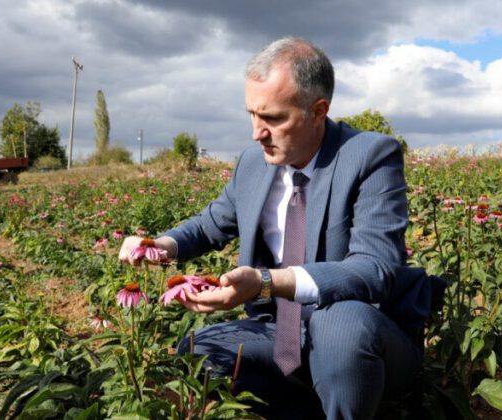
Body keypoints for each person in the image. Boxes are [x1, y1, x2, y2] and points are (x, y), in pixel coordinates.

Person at [119, 37, 440, 420]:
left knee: (339, 326)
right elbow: (209, 225)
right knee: (201, 349)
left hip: (366, 333)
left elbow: (375, 269)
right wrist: (160, 245)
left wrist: (267, 281)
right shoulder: (254, 164)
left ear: (318, 111)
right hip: (281, 331)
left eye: (273, 118)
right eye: (252, 114)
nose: (257, 132)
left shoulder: (370, 155)